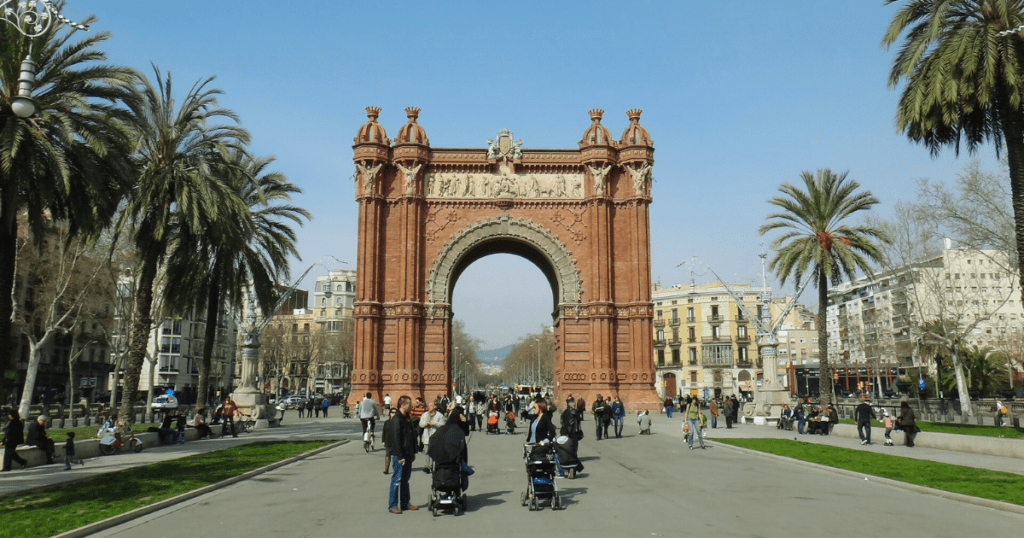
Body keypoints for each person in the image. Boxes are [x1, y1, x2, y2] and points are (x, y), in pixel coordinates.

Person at [385, 395, 418, 514]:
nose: (411, 406)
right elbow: (396, 439)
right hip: (400, 455)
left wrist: (413, 451)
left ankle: (405, 503)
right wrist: (400, 456)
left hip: (408, 454)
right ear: (403, 405)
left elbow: (410, 436)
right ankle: (393, 505)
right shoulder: (397, 419)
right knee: (397, 479)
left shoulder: (406, 419)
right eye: (409, 404)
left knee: (405, 480)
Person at [419, 401, 446, 472]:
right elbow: (420, 424)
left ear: (435, 407)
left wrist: (434, 423)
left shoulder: (440, 415)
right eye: (428, 406)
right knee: (426, 452)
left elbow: (443, 425)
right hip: (426, 437)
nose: (429, 407)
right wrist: (426, 423)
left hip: (435, 437)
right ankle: (428, 466)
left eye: (431, 406)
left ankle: (435, 466)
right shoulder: (425, 415)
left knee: (435, 452)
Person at [381, 407, 398, 474]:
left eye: (395, 412)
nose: (393, 414)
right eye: (392, 412)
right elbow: (384, 432)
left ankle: (395, 469)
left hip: (396, 441)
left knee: (395, 456)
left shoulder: (398, 422)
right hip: (388, 441)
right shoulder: (386, 422)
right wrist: (383, 441)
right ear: (390, 413)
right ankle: (386, 469)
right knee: (387, 455)